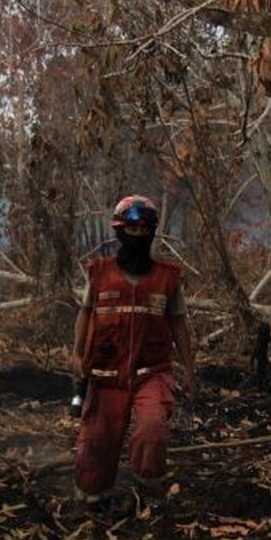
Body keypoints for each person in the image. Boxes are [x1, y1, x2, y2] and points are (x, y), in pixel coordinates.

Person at [71, 194, 196, 508]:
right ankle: (94, 499)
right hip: (105, 376)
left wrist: (190, 369)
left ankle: (148, 495)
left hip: (151, 374)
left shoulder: (167, 279)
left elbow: (179, 325)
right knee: (96, 449)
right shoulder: (99, 274)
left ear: (152, 232)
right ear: (119, 230)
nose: (137, 235)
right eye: (131, 229)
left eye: (144, 230)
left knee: (152, 429)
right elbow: (85, 315)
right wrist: (77, 356)